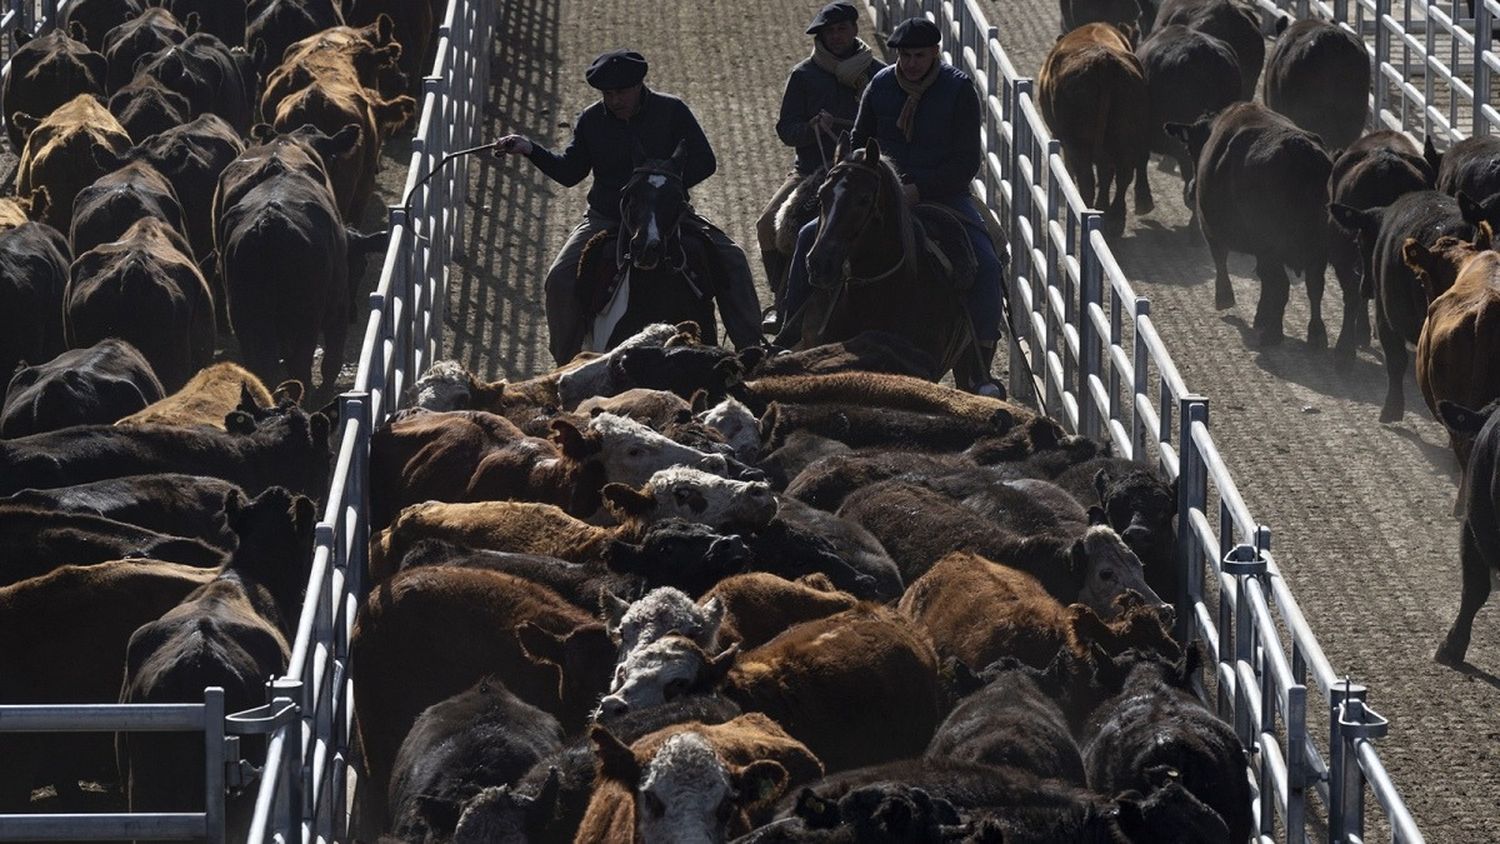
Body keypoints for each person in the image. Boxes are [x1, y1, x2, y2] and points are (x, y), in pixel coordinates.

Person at [778, 17, 1006, 395]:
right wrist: (853, 170)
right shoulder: (881, 84)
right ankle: (789, 336)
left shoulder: (959, 90)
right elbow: (858, 139)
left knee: (986, 262)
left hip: (941, 195)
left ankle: (981, 363)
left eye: (919, 55)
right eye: (904, 55)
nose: (911, 63)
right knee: (807, 237)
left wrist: (920, 188)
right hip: (878, 189)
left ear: (935, 53)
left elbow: (966, 161)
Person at [494, 48, 763, 365]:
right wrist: (530, 149)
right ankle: (566, 366)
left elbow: (706, 161)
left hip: (667, 218)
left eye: (621, 92)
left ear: (639, 86)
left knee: (732, 257)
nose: (614, 100)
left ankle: (752, 354)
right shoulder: (591, 120)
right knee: (559, 279)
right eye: (608, 94)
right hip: (607, 218)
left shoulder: (673, 111)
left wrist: (664, 188)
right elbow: (570, 173)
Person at [757, 2, 884, 333]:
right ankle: (781, 302)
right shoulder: (803, 76)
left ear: (855, 31)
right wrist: (811, 126)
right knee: (766, 225)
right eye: (830, 31)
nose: (837, 36)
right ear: (822, 36)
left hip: (864, 172)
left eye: (842, 29)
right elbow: (786, 129)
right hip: (812, 170)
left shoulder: (879, 74)